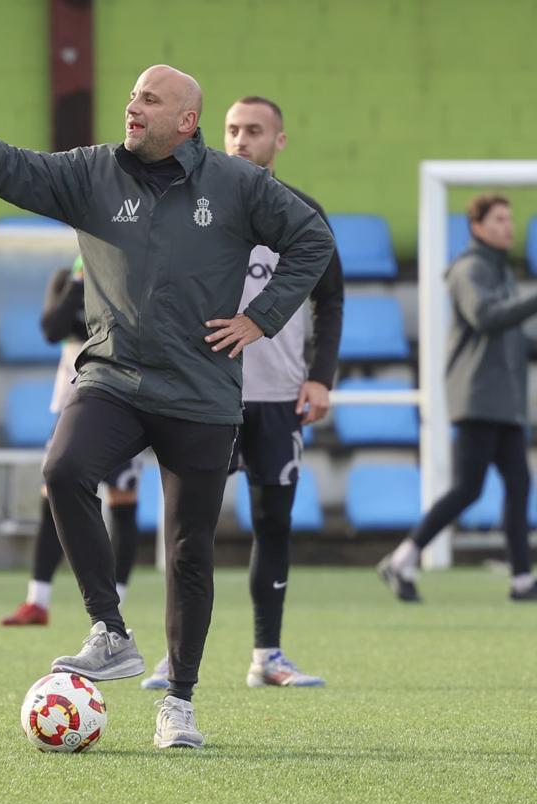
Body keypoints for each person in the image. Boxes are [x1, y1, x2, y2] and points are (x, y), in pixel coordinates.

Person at [0, 65, 334, 749]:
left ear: (186, 121)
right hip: (114, 377)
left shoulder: (237, 184)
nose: (132, 107)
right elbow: (14, 170)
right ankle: (109, 629)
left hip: (201, 393)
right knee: (64, 470)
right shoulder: (91, 173)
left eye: (150, 99)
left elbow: (313, 240)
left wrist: (261, 318)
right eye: (133, 95)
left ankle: (181, 705)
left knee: (189, 553)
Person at [142, 96, 344, 690]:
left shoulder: (304, 213)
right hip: (207, 394)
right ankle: (174, 657)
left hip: (279, 397)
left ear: (279, 140)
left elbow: (329, 299)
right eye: (232, 130)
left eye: (254, 131)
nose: (240, 140)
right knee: (190, 531)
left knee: (273, 522)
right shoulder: (194, 204)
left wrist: (320, 376)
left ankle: (268, 655)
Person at [378, 193, 537, 603]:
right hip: (478, 396)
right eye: (499, 219)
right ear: (477, 227)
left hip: (504, 401)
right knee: (468, 488)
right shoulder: (468, 270)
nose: (508, 226)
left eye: (510, 219)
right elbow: (486, 316)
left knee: (518, 484)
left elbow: (513, 333)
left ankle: (522, 579)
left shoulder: (501, 273)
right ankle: (402, 557)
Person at [1, 255, 144, 627]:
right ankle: (38, 600)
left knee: (122, 502)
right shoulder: (67, 278)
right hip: (73, 406)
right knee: (54, 493)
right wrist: (80, 281)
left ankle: (118, 602)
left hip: (123, 405)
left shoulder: (129, 274)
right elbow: (52, 329)